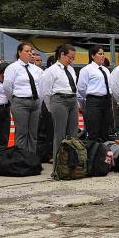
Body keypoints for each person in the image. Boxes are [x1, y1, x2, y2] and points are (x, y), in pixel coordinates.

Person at [40, 44, 79, 172]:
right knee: (60, 133)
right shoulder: (51, 71)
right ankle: (59, 165)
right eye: (70, 57)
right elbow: (45, 91)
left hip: (72, 99)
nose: (71, 60)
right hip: (59, 100)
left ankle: (72, 162)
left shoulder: (71, 70)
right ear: (62, 55)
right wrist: (51, 107)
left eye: (73, 58)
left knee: (73, 133)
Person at [3, 42, 43, 154]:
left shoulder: (36, 69)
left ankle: (31, 158)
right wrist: (14, 100)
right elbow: (7, 87)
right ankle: (21, 159)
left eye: (31, 51)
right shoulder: (13, 68)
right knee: (21, 133)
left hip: (35, 102)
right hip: (20, 101)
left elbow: (41, 85)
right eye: (27, 51)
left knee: (33, 133)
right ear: (19, 52)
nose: (30, 53)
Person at [78, 45, 113, 142]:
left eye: (103, 54)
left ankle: (105, 153)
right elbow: (81, 88)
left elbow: (110, 85)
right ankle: (93, 154)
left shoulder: (105, 70)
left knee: (106, 129)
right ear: (93, 56)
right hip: (94, 100)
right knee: (94, 129)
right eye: (100, 54)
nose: (103, 56)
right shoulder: (86, 70)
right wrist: (90, 97)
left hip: (106, 100)